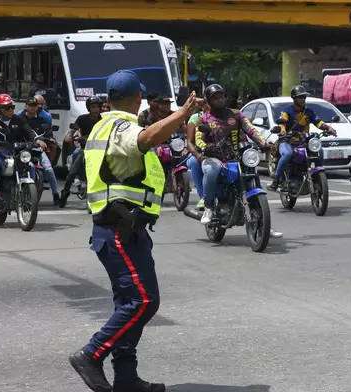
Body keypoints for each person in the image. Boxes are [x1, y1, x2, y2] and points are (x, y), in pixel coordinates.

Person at [68, 69, 204, 392]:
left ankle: (126, 378)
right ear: (137, 98)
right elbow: (145, 140)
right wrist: (182, 115)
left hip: (119, 228)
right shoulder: (122, 127)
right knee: (143, 301)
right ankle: (91, 354)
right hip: (119, 230)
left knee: (128, 302)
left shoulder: (101, 125)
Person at [193, 84, 267, 224]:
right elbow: (198, 139)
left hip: (236, 157)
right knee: (211, 170)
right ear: (208, 101)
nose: (219, 100)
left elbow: (250, 129)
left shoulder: (237, 114)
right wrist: (207, 147)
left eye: (221, 97)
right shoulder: (203, 119)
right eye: (215, 98)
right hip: (213, 157)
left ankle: (265, 222)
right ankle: (208, 207)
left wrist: (264, 143)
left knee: (252, 172)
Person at [0, 94, 46, 206]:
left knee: (30, 167)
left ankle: (29, 196)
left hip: (17, 153)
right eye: (7, 108)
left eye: (12, 107)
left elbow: (29, 131)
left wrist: (37, 140)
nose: (11, 110)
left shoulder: (18, 119)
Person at [267, 85, 336, 191]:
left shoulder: (309, 112)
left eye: (304, 97)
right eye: (300, 97)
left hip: (303, 142)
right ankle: (276, 181)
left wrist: (328, 128)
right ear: (294, 98)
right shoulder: (287, 111)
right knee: (287, 154)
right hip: (287, 141)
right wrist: (282, 131)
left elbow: (318, 122)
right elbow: (282, 122)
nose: (303, 99)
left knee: (320, 151)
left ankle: (318, 177)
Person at [58, 95, 104, 207]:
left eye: (97, 107)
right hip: (85, 150)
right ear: (89, 108)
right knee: (72, 173)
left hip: (100, 151)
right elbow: (74, 128)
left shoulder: (103, 120)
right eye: (93, 107)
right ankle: (64, 193)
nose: (95, 109)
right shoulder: (82, 118)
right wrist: (69, 135)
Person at [19, 96, 60, 204]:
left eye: (34, 106)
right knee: (29, 167)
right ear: (26, 106)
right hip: (24, 149)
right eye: (30, 105)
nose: (32, 108)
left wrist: (51, 140)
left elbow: (48, 134)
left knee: (49, 169)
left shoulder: (42, 120)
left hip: (37, 149)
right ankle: (27, 193)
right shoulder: (19, 119)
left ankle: (56, 193)